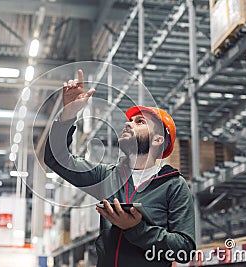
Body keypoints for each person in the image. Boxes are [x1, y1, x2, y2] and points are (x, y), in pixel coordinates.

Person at [44, 69, 196, 267]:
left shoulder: (173, 186)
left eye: (139, 122)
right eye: (130, 120)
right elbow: (56, 159)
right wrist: (68, 115)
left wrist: (136, 228)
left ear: (158, 139)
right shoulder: (107, 176)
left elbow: (184, 251)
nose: (128, 123)